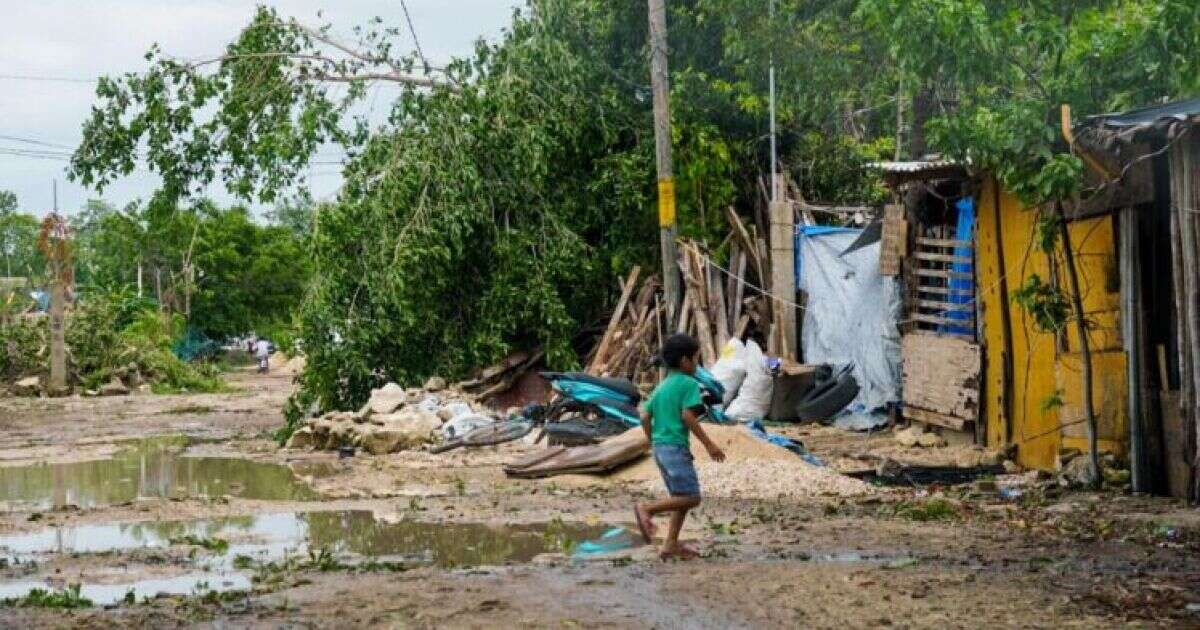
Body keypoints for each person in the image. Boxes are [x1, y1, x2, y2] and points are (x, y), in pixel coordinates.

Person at [634, 333, 726, 560]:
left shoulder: (662, 387)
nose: (697, 364)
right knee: (692, 498)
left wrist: (652, 438)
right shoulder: (688, 384)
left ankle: (670, 545)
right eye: (695, 359)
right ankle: (647, 509)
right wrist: (709, 445)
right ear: (685, 361)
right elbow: (688, 416)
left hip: (660, 448)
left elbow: (644, 416)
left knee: (679, 496)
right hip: (674, 447)